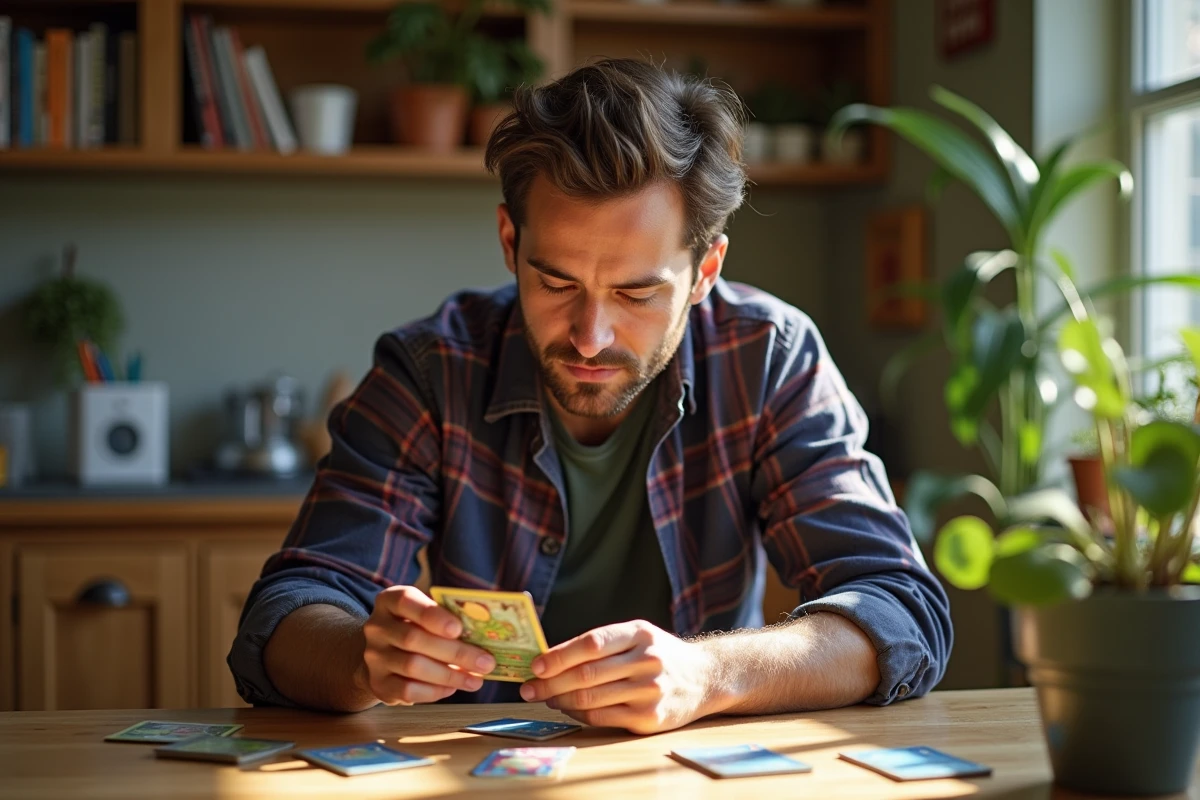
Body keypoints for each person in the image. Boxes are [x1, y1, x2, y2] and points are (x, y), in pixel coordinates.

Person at [229, 58, 952, 735]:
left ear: (705, 270)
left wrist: (706, 673)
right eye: (556, 283)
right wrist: (364, 657)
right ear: (510, 242)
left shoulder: (770, 356)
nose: (588, 335)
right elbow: (284, 616)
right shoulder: (431, 371)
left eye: (637, 292)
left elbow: (898, 610)